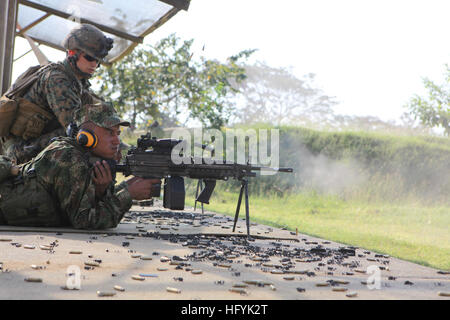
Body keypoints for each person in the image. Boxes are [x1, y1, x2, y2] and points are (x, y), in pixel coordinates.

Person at [0, 102, 160, 229]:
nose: (117, 141)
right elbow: (85, 220)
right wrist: (128, 193)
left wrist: (102, 191)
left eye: (117, 134)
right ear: (86, 137)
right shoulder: (69, 157)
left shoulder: (87, 158)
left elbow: (80, 207)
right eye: (109, 133)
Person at [0, 24, 113, 164]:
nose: (94, 64)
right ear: (72, 53)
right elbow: (78, 126)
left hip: (34, 146)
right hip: (22, 151)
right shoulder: (57, 79)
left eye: (98, 60)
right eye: (89, 57)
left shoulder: (78, 83)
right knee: (82, 134)